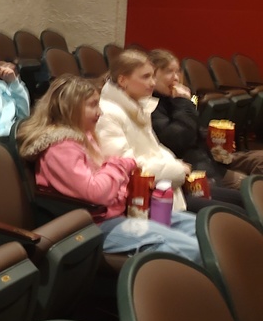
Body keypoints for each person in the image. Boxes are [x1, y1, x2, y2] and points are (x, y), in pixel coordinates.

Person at [18, 74, 200, 262]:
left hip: (118, 214)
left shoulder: (84, 137)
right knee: (191, 249)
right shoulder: (60, 147)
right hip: (94, 226)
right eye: (92, 105)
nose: (100, 112)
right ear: (69, 108)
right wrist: (120, 165)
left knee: (199, 228)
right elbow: (96, 192)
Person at [97, 48, 241, 214]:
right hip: (144, 198)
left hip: (169, 184)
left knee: (242, 202)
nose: (152, 82)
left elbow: (156, 149)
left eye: (152, 76)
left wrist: (177, 166)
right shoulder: (108, 114)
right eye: (146, 77)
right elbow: (127, 168)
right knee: (233, 214)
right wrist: (177, 170)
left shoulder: (138, 106)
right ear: (123, 80)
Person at [148, 48, 254, 202]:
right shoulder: (153, 105)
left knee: (256, 175)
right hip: (195, 171)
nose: (176, 77)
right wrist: (184, 103)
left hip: (211, 161)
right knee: (249, 195)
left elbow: (194, 129)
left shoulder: (177, 98)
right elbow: (178, 140)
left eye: (178, 71)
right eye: (168, 72)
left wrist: (215, 141)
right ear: (153, 76)